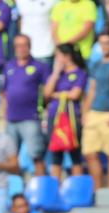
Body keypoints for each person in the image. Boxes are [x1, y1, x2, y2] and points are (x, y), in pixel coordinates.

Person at [82, 32, 109, 189]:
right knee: (90, 153)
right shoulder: (96, 64)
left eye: (107, 43)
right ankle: (98, 188)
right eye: (102, 43)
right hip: (95, 112)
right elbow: (92, 89)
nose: (104, 47)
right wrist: (85, 112)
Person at [2, 35, 50, 177]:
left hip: (31, 117)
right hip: (11, 118)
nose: (21, 49)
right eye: (18, 45)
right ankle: (16, 191)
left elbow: (48, 90)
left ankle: (41, 187)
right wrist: (3, 113)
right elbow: (3, 92)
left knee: (36, 155)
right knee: (11, 157)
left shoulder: (39, 67)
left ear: (29, 47)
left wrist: (44, 109)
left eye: (24, 45)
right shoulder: (9, 66)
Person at [43, 43, 86, 179]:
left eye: (58, 55)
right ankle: (56, 186)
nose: (56, 58)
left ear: (67, 56)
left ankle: (77, 186)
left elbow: (75, 94)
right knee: (56, 153)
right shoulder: (56, 74)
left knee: (75, 152)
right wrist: (55, 73)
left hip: (71, 116)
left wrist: (57, 94)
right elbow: (46, 93)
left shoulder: (80, 73)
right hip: (54, 117)